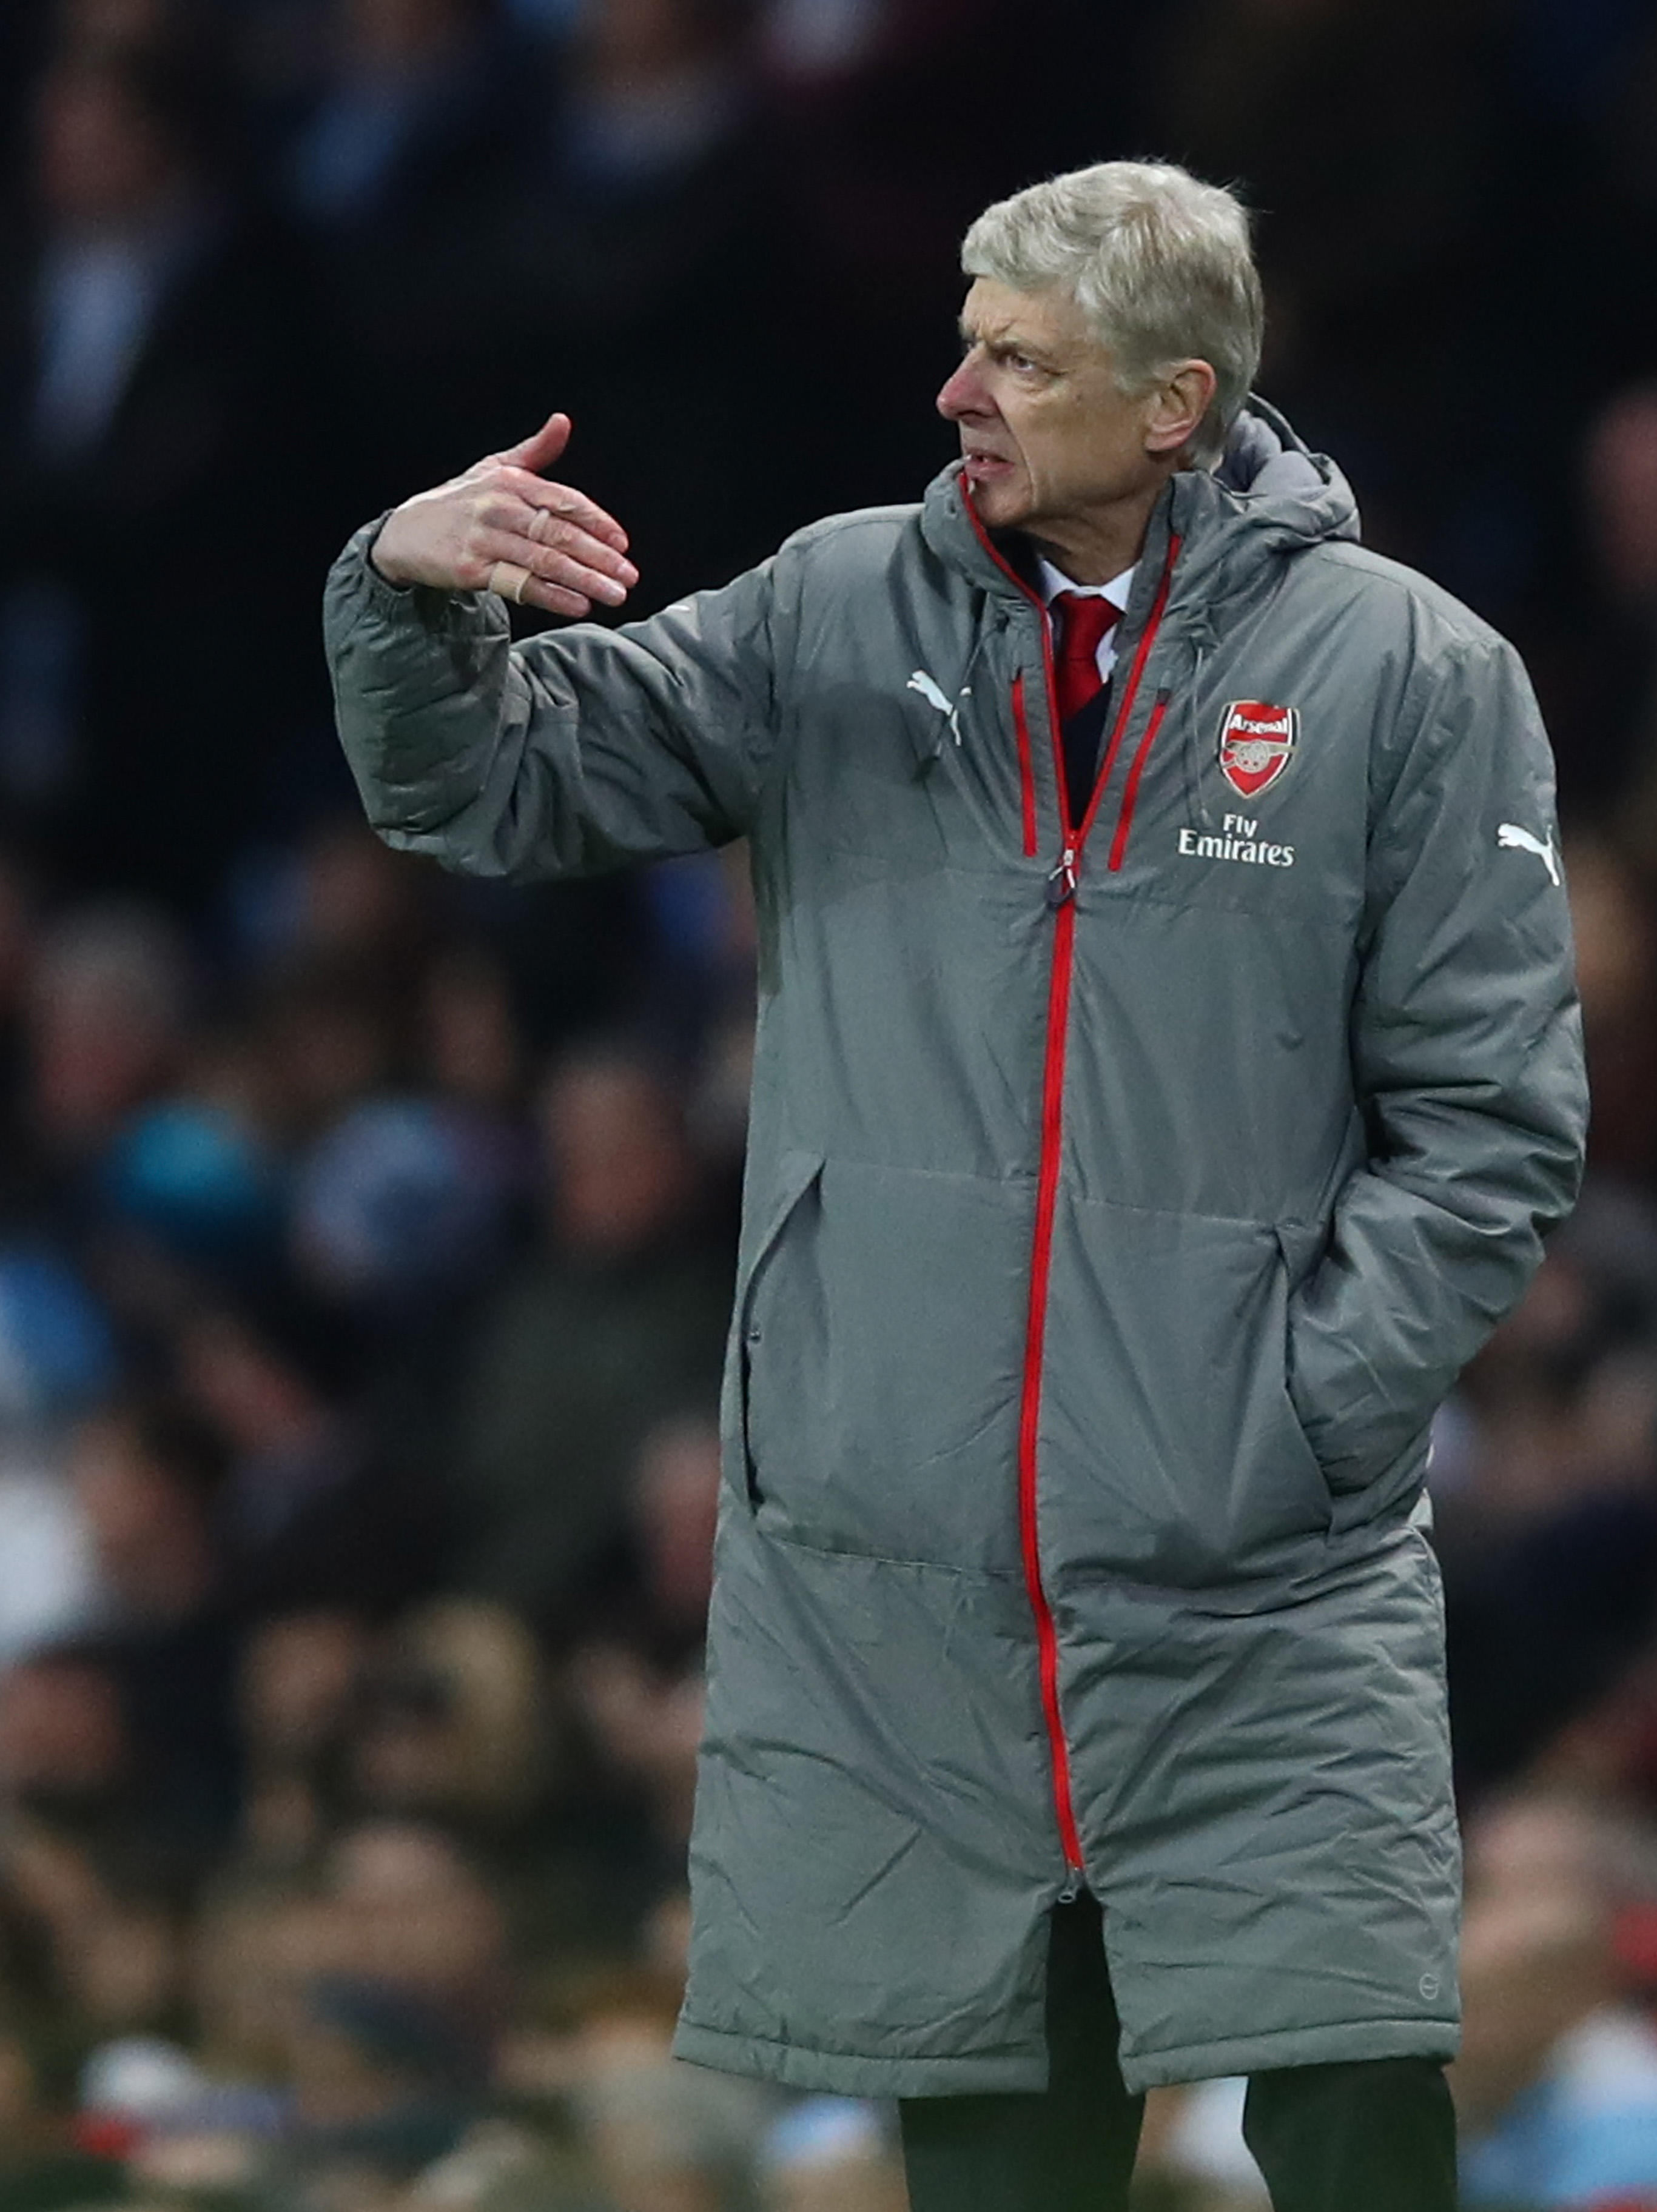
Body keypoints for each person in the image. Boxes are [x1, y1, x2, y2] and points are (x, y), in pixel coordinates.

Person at [324, 161, 1586, 2211]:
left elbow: (1494, 1122)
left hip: (1258, 1574)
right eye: (968, 343)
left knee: (1355, 2122)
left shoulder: (1411, 674)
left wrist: (1290, 1411)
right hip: (900, 1580)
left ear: (1173, 405)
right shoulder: (831, 611)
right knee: (997, 2150)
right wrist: (410, 589)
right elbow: (489, 782)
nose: (957, 394)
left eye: (1020, 360)